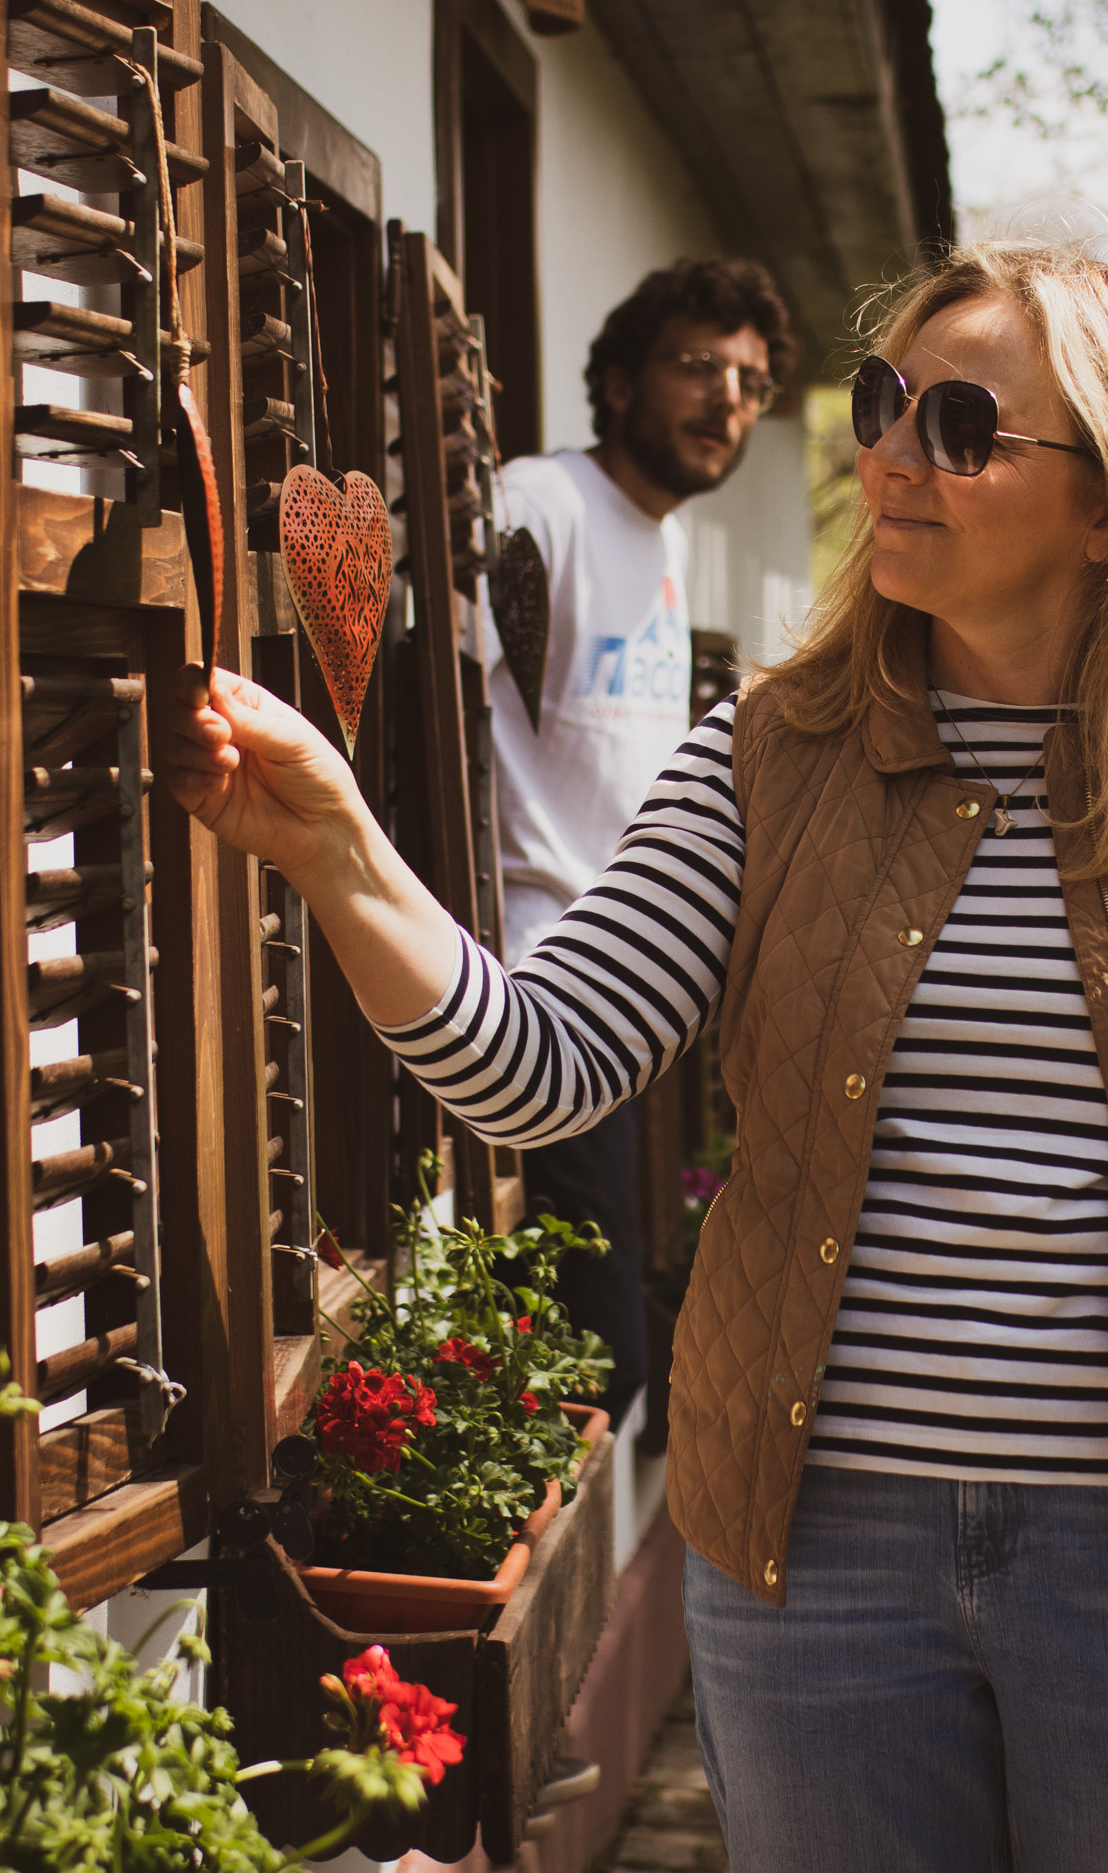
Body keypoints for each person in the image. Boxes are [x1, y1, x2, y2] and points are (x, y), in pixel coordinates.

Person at [165, 242, 1108, 1873]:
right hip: (820, 1562)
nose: (891, 455)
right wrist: (338, 851)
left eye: (962, 426)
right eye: (883, 403)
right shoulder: (767, 757)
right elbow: (541, 1066)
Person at [488, 257, 794, 1423]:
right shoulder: (542, 505)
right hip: (541, 982)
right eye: (698, 366)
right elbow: (434, 701)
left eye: (751, 382)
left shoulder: (659, 544)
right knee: (598, 1362)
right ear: (619, 383)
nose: (728, 399)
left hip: (633, 987)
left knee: (621, 1356)